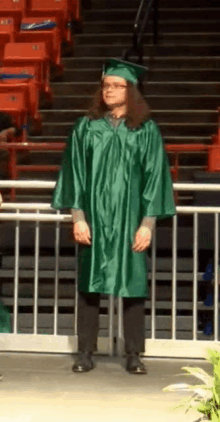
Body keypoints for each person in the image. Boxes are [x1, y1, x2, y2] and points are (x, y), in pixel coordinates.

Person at [51, 58, 176, 374]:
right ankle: (85, 352)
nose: (109, 90)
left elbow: (155, 178)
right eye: (106, 85)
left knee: (133, 286)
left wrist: (147, 224)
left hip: (129, 220)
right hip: (93, 219)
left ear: (130, 90)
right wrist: (77, 216)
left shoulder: (145, 130)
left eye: (117, 86)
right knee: (89, 287)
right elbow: (74, 174)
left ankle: (134, 354)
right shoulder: (86, 127)